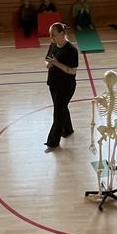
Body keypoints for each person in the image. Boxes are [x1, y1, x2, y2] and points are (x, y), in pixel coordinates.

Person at [44, 22, 79, 151]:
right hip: (53, 83)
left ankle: (52, 142)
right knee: (61, 108)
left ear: (62, 33)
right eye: (50, 35)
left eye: (53, 34)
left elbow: (72, 71)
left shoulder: (71, 50)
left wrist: (56, 63)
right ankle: (67, 130)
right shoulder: (53, 45)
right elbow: (47, 60)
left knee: (58, 113)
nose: (51, 37)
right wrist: (48, 64)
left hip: (66, 86)